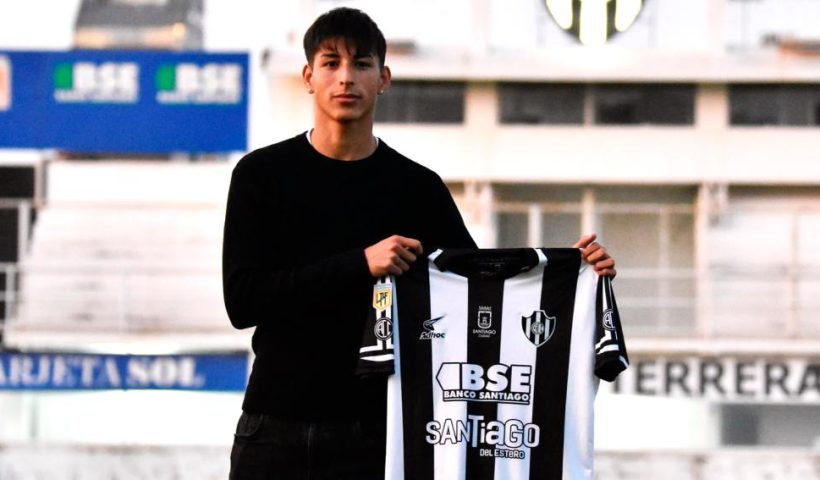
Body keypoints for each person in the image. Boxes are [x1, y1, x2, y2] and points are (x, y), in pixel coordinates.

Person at [222, 7, 616, 480]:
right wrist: (361, 263)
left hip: (377, 432)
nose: (346, 78)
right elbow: (243, 301)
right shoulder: (261, 175)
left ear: (383, 78)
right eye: (330, 63)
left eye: (361, 64)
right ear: (309, 76)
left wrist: (570, 270)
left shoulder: (416, 187)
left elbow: (481, 286)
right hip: (273, 425)